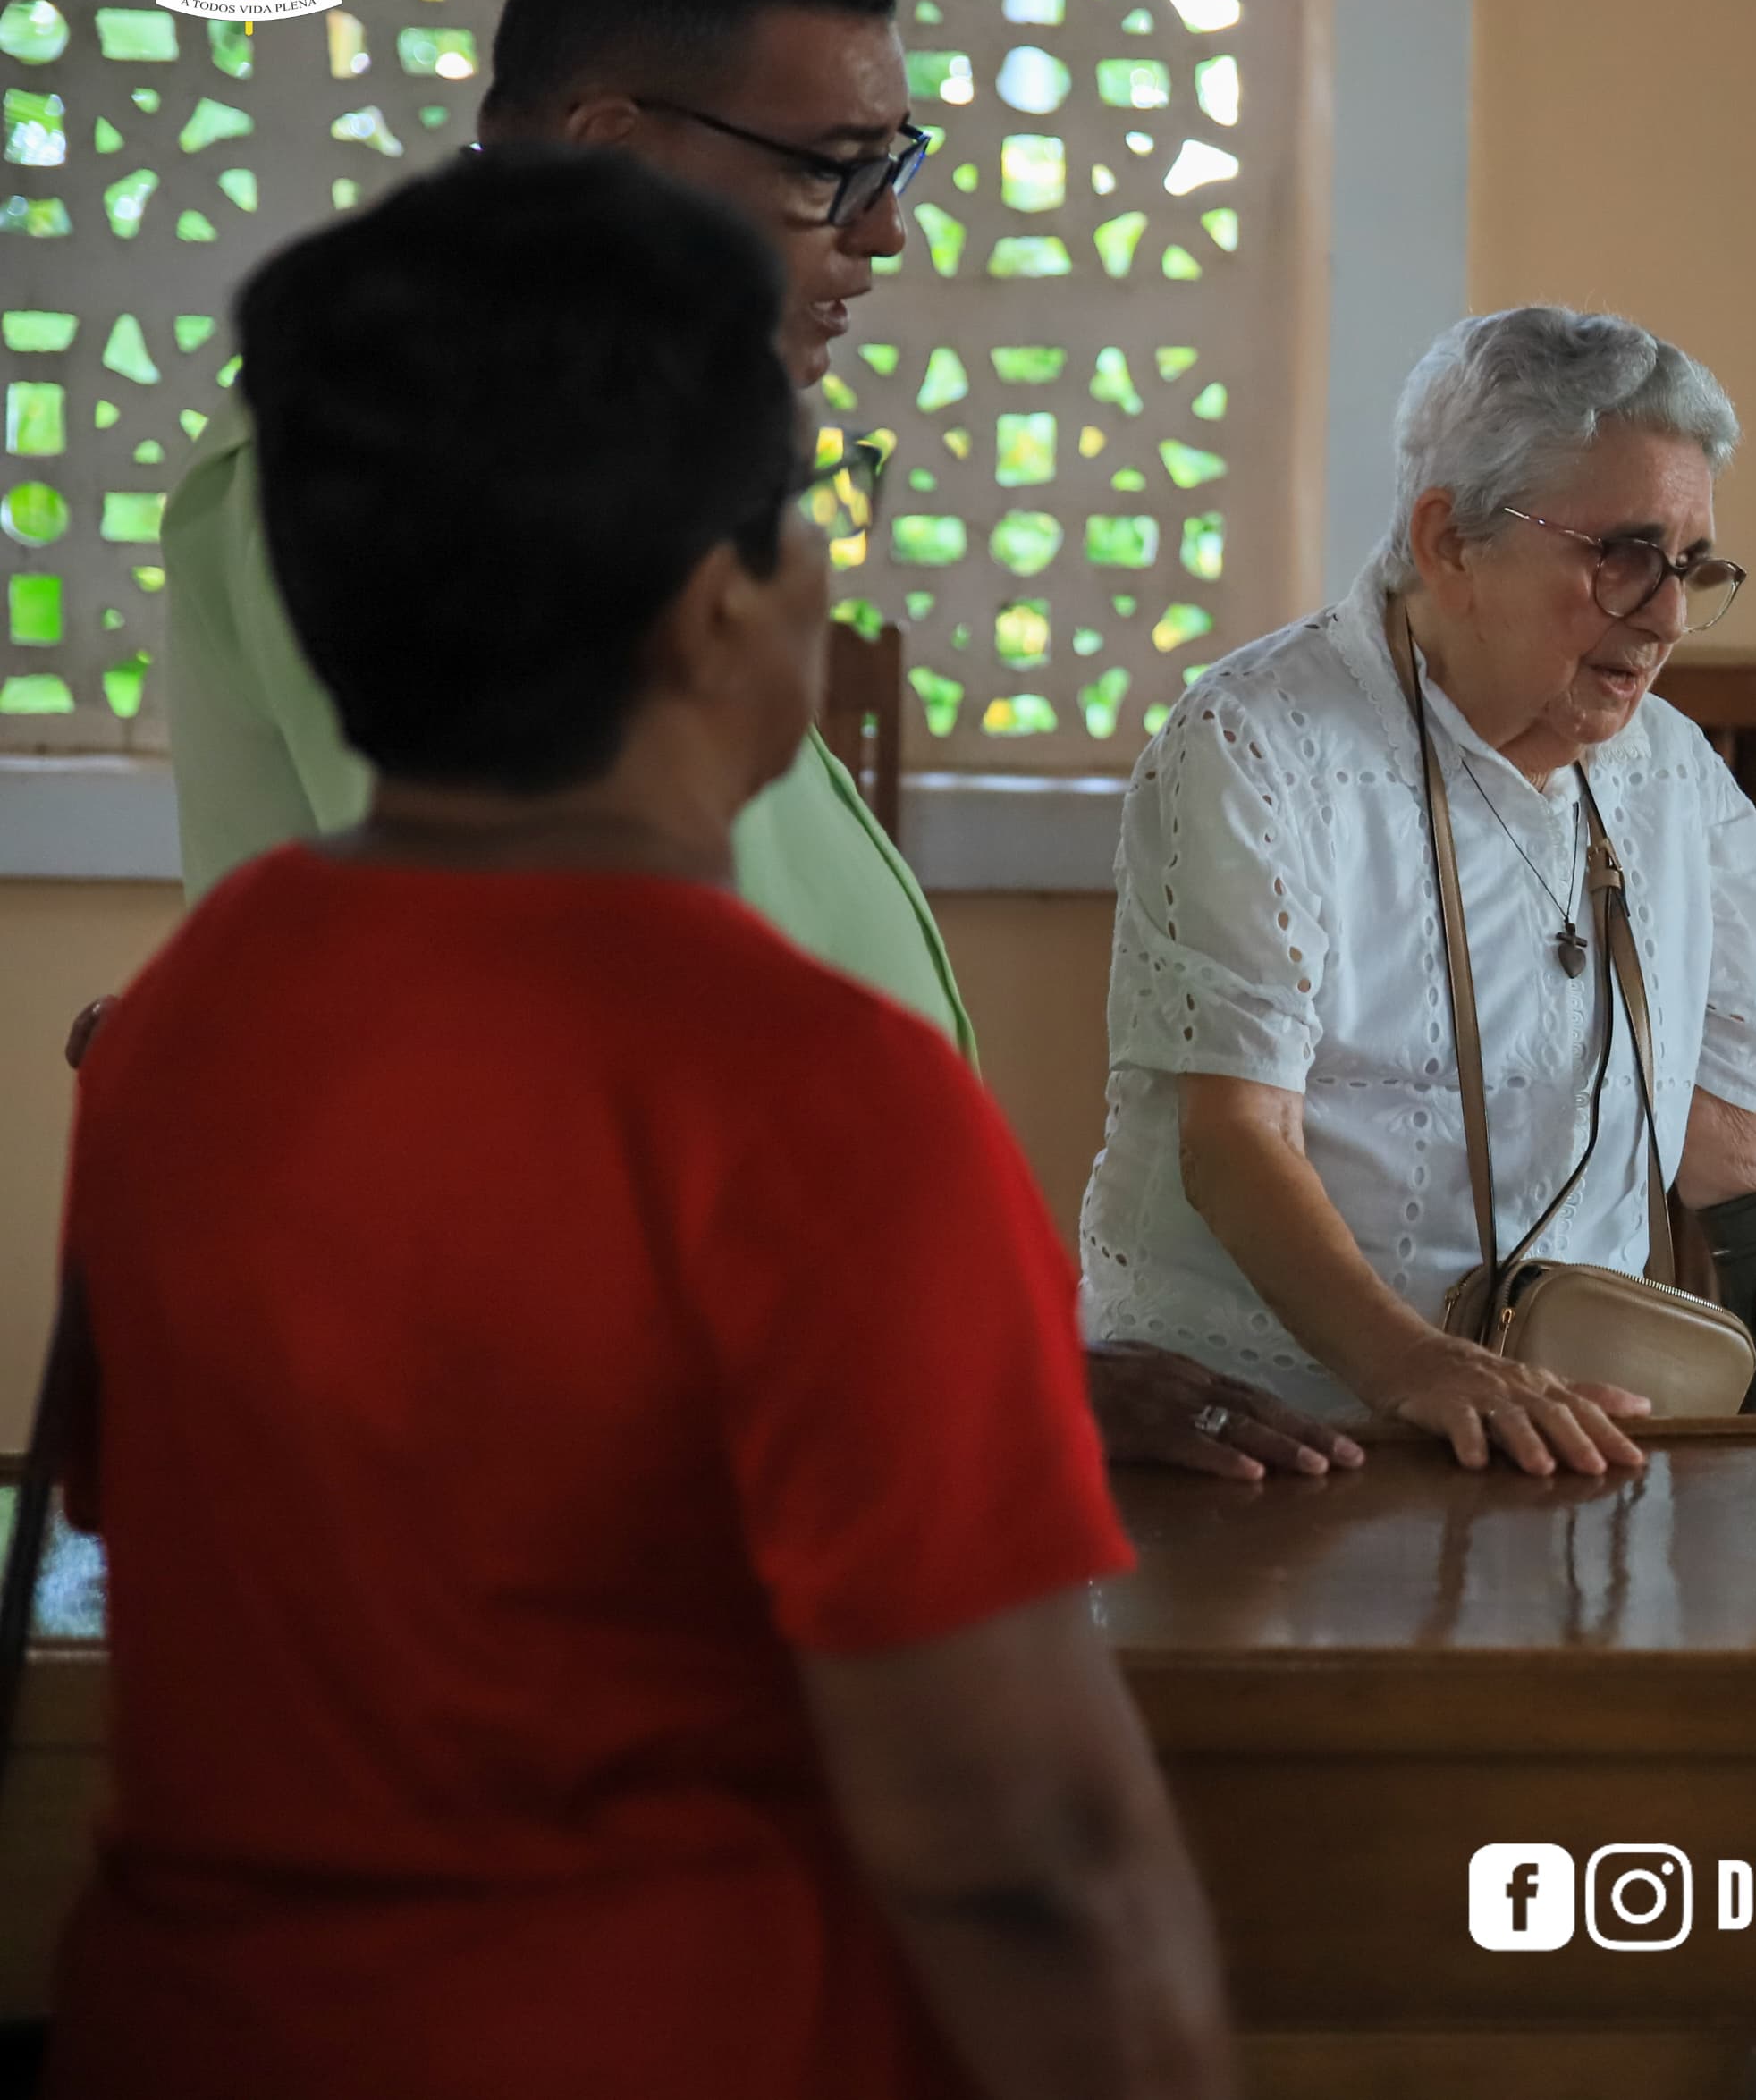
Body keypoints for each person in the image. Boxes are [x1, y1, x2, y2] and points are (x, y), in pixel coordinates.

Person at [53, 151, 1234, 2100]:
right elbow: (1027, 1858)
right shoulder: (813, 1098)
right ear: (716, 608)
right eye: (809, 514)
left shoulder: (189, 1018)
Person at [152, 0, 1338, 1482]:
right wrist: (961, 1361)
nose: (886, 232)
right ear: (619, 148)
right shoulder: (388, 477)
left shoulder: (625, 466)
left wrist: (983, 1345)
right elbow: (530, 1043)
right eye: (831, 172)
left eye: (894, 167)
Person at [1078, 307, 1756, 1477]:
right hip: (1275, 1445)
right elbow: (1236, 1140)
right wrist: (1418, 1367)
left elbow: (1744, 1151)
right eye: (1620, 555)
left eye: (1691, 567)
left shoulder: (1677, 782)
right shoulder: (1260, 743)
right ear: (1450, 542)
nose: (1665, 615)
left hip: (1565, 1443)